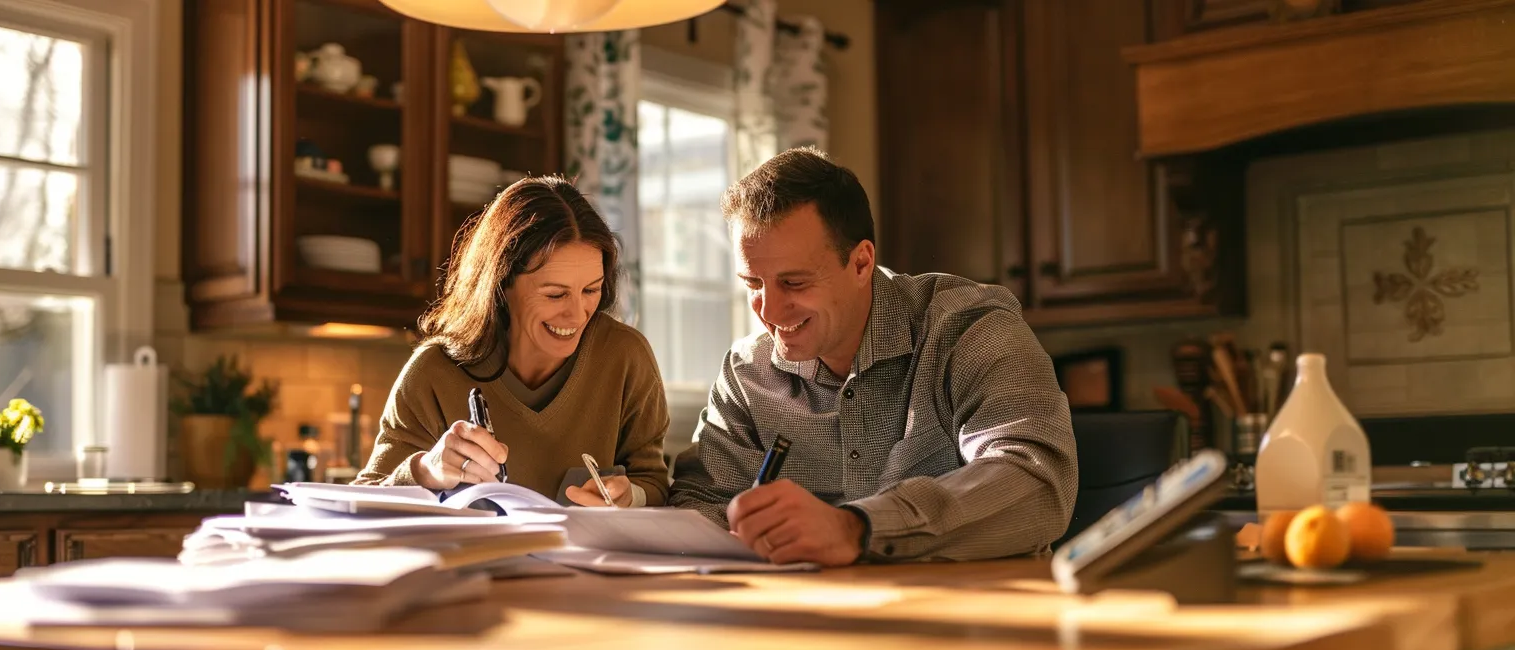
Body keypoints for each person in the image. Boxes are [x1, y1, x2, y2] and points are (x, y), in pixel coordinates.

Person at [669, 148, 1078, 565]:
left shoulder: (969, 330)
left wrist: (856, 528)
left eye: (794, 282)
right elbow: (700, 502)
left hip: (978, 616)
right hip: (804, 619)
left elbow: (1036, 482)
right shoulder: (746, 374)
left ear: (861, 262)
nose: (769, 312)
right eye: (753, 282)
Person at [354, 176, 669, 508]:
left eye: (591, 290)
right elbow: (363, 501)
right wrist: (425, 470)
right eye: (555, 294)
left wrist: (630, 496)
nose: (577, 314)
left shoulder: (625, 356)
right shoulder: (433, 372)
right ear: (501, 285)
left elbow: (655, 483)